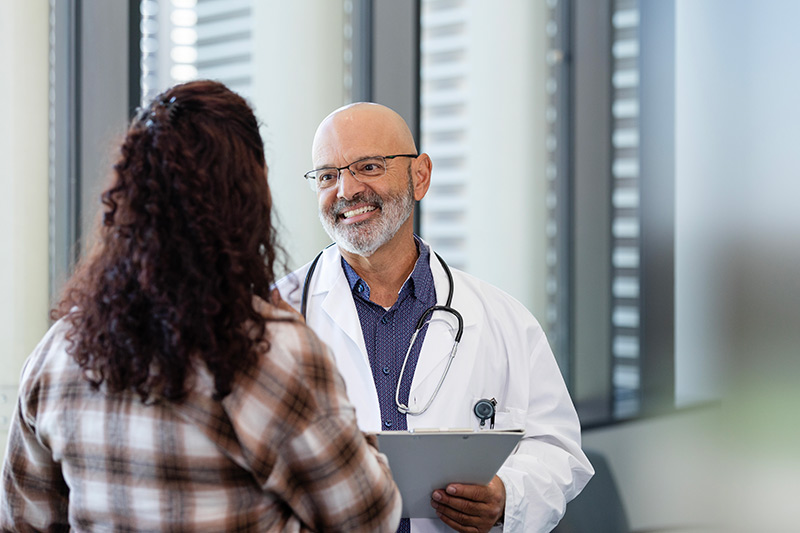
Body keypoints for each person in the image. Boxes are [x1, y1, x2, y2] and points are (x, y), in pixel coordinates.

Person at [0, 82, 401, 532]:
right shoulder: (274, 353)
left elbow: (23, 522)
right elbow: (369, 517)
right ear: (248, 199)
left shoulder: (59, 353)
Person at [276, 102, 594, 533]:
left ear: (420, 176)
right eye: (328, 175)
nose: (347, 190)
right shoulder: (274, 316)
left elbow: (557, 449)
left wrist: (506, 495)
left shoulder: (502, 319)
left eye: (368, 166)